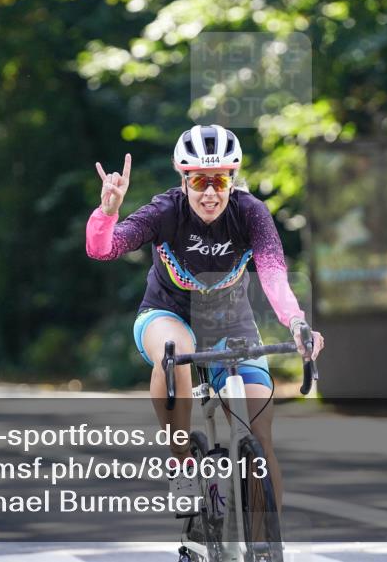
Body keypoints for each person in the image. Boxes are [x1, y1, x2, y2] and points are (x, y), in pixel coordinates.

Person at [86, 124, 325, 514]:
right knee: (175, 349)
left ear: (232, 179)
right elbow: (104, 249)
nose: (210, 192)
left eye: (219, 179)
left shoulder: (250, 213)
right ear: (184, 180)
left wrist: (296, 322)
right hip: (167, 314)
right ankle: (181, 461)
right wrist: (107, 213)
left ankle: (267, 546)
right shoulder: (165, 211)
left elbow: (272, 272)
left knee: (260, 437)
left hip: (230, 324)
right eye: (199, 180)